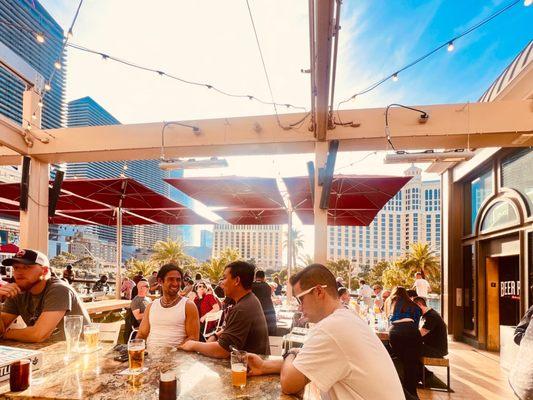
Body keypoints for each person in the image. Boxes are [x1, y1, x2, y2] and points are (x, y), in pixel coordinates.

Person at [246, 264, 404, 399]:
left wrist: (292, 353)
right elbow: (307, 365)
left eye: (300, 299)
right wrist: (264, 366)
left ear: (319, 292)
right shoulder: (346, 318)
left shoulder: (332, 328)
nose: (299, 307)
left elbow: (289, 383)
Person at [180, 261, 270, 358]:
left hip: (248, 368)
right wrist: (215, 335)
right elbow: (233, 330)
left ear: (237, 281)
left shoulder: (242, 308)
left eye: (224, 278)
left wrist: (193, 344)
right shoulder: (248, 300)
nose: (221, 283)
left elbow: (222, 351)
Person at [0, 249, 90, 342]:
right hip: (42, 351)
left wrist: (7, 333)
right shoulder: (18, 291)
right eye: (16, 268)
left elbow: (38, 335)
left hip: (76, 352)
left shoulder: (59, 290)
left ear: (45, 271)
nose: (19, 272)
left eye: (26, 267)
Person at [136, 264, 199, 348]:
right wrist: (136, 349)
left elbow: (193, 338)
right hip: (151, 357)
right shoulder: (151, 306)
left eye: (178, 280)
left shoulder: (188, 306)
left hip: (178, 357)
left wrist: (171, 353)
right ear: (160, 281)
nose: (175, 283)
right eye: (171, 279)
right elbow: (141, 334)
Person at [386, 287, 423, 399]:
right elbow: (417, 317)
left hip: (395, 332)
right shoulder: (412, 305)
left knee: (399, 360)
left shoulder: (390, 303)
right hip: (411, 331)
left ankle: (399, 391)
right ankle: (411, 393)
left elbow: (388, 319)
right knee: (410, 364)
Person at [252, 270, 277, 335]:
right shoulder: (267, 286)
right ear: (264, 277)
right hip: (268, 314)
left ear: (255, 277)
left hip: (255, 316)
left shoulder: (250, 286)